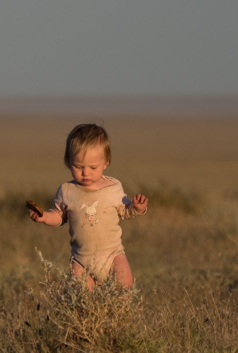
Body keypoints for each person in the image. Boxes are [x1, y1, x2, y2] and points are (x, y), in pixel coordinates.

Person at [29, 123, 148, 289]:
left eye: (93, 167)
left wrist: (137, 208)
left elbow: (125, 211)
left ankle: (119, 307)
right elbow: (59, 215)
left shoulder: (113, 188)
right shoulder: (67, 190)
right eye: (78, 167)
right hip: (81, 260)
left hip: (112, 255)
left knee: (125, 285)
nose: (85, 172)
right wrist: (45, 217)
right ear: (69, 161)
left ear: (106, 162)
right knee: (82, 296)